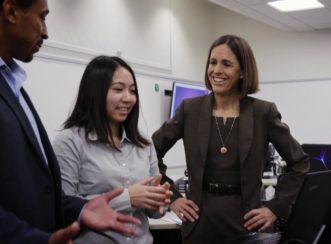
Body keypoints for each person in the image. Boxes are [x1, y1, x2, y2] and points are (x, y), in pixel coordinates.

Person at [0, 0, 141, 243]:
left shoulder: (14, 84)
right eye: (42, 18)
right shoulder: (70, 140)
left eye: (132, 90)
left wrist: (83, 208)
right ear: (11, 12)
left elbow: (45, 193)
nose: (46, 31)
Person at [152, 34, 310, 243]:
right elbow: (150, 153)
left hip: (247, 223)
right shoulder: (190, 110)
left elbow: (300, 163)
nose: (216, 70)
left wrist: (275, 208)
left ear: (243, 72)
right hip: (199, 223)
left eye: (226, 64)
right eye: (213, 62)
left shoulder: (263, 112)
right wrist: (173, 198)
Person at [52, 55, 172, 244]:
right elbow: (63, 208)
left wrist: (159, 202)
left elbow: (154, 213)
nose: (128, 98)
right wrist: (128, 198)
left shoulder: (144, 144)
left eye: (132, 91)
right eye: (118, 89)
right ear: (95, 92)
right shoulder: (70, 142)